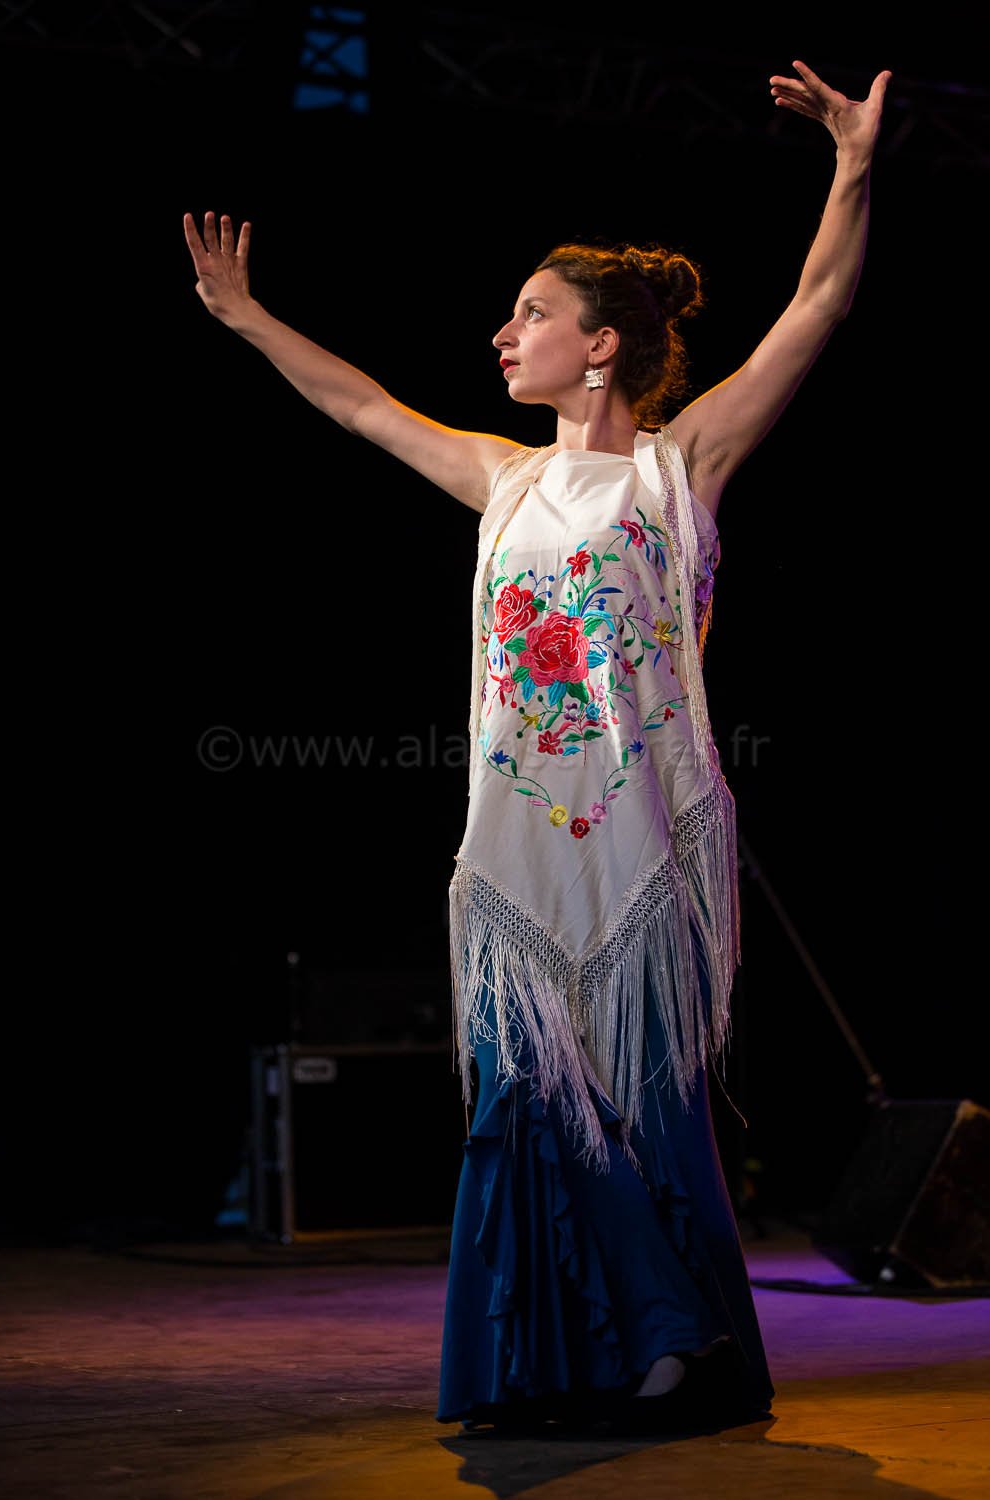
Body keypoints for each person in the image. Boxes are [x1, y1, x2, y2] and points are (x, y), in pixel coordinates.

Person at [184, 59, 891, 1434]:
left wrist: (853, 164)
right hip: (514, 854)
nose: (504, 334)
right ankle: (557, 1362)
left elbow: (815, 308)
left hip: (642, 844)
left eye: (532, 314)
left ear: (602, 345)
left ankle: (676, 1347)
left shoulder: (679, 468)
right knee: (523, 1104)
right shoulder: (502, 478)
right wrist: (249, 317)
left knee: (638, 1104)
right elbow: (361, 405)